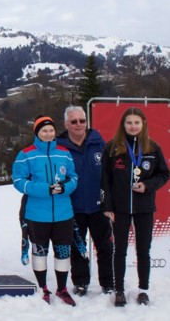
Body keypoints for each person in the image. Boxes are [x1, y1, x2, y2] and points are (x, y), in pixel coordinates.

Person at [101, 107, 169, 307]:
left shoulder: (153, 148)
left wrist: (147, 185)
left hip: (144, 208)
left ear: (143, 124)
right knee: (119, 251)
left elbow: (164, 174)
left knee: (143, 251)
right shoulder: (112, 148)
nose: (133, 126)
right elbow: (105, 179)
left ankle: (143, 290)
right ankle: (119, 291)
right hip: (120, 208)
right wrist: (107, 206)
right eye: (129, 122)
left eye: (136, 122)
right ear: (123, 124)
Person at [12, 115, 78, 306]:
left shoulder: (64, 153)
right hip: (36, 214)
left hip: (63, 213)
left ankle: (62, 288)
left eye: (51, 130)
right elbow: (18, 181)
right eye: (44, 131)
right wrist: (44, 189)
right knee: (39, 251)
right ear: (37, 133)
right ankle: (43, 288)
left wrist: (65, 188)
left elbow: (74, 177)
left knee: (63, 252)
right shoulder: (26, 154)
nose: (48, 134)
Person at [56, 105, 114, 296]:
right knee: (77, 247)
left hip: (99, 206)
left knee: (105, 246)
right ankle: (80, 282)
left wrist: (109, 202)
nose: (79, 124)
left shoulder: (99, 143)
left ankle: (108, 283)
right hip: (72, 207)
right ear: (66, 124)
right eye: (74, 121)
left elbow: (109, 174)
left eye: (82, 121)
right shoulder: (59, 147)